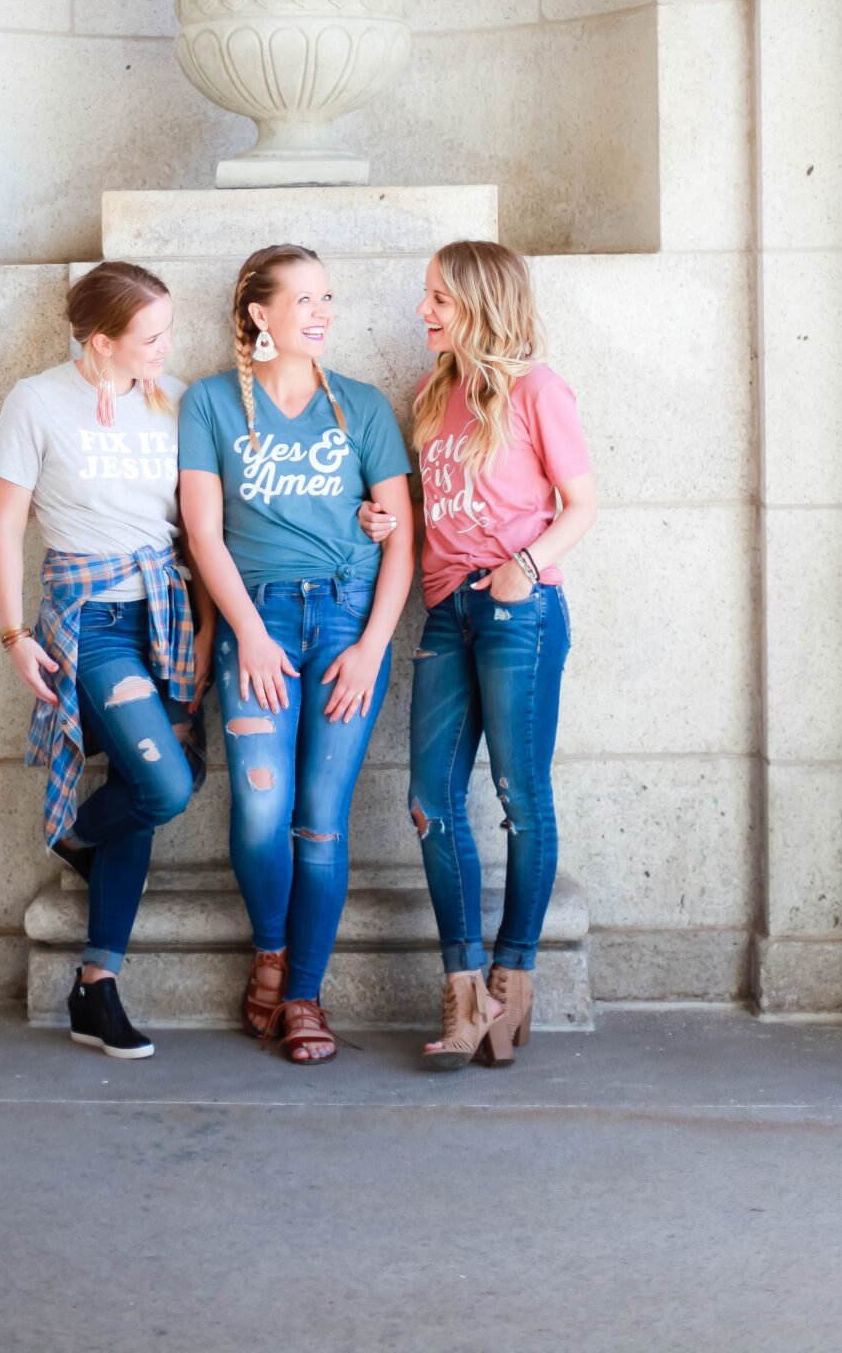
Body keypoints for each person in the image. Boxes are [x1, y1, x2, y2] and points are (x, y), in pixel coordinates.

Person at [179, 245, 414, 1064]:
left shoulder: (361, 406)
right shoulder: (209, 404)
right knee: (259, 810)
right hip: (260, 621)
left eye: (326, 298)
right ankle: (270, 951)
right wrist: (244, 630)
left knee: (319, 823)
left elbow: (400, 540)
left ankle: (305, 996)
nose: (320, 312)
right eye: (303, 298)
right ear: (258, 314)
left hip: (349, 621)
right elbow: (203, 533)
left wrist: (370, 647)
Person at [364, 240, 595, 1069]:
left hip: (519, 612)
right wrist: (387, 526)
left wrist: (521, 569)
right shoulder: (433, 393)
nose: (422, 312)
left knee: (519, 796)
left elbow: (581, 502)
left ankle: (512, 980)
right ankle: (462, 989)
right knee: (429, 800)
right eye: (426, 297)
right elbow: (441, 506)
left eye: (438, 299)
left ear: (480, 304)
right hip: (443, 614)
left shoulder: (536, 389)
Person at [0, 261, 213, 1061]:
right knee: (163, 786)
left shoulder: (174, 399)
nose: (166, 347)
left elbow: (203, 520)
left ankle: (94, 989)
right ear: (101, 338)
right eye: (151, 337)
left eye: (168, 331)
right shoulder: (36, 402)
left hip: (166, 619)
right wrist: (16, 635)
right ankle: (73, 835)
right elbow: (7, 528)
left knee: (139, 789)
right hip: (93, 625)